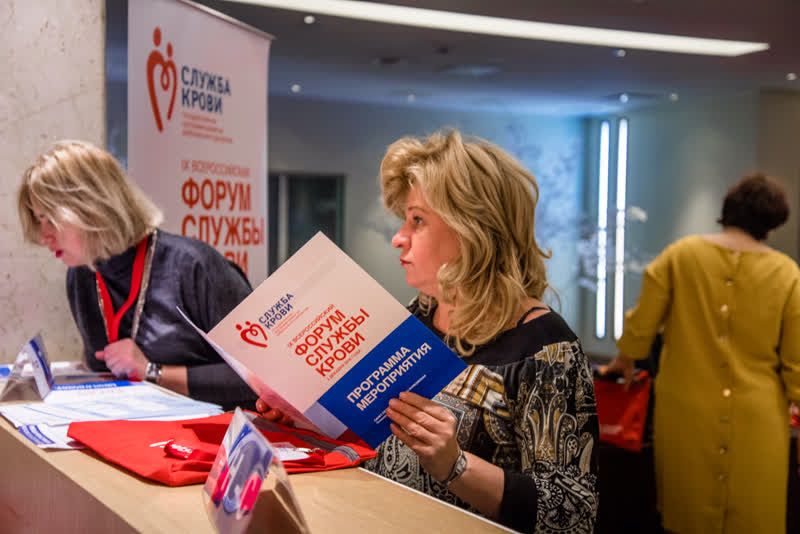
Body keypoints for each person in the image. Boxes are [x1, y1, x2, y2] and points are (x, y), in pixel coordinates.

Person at [258, 130, 599, 533]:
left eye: (417, 220)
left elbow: (573, 516)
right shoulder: (415, 318)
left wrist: (456, 466)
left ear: (471, 229)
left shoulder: (546, 349)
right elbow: (372, 443)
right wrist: (307, 420)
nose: (397, 238)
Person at [603, 173, 800, 534]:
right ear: (773, 221)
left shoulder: (682, 255)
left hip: (686, 412)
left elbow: (641, 327)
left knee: (686, 515)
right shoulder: (787, 274)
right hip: (759, 420)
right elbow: (796, 363)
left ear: (728, 209)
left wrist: (625, 358)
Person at [17, 140, 257, 410]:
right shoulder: (82, 276)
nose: (43, 236)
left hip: (218, 430)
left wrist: (153, 372)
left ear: (92, 208)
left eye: (50, 218)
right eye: (39, 220)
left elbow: (263, 378)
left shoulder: (192, 266)